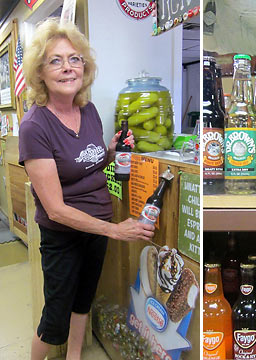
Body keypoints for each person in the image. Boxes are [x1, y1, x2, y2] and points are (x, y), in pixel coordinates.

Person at [18, 18, 155, 360]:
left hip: (97, 227)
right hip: (63, 236)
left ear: (85, 67)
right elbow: (55, 208)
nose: (68, 68)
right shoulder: (35, 126)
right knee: (54, 321)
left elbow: (89, 165)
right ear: (40, 72)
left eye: (75, 59)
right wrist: (116, 230)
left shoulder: (88, 110)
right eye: (56, 60)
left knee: (83, 303)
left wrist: (110, 151)